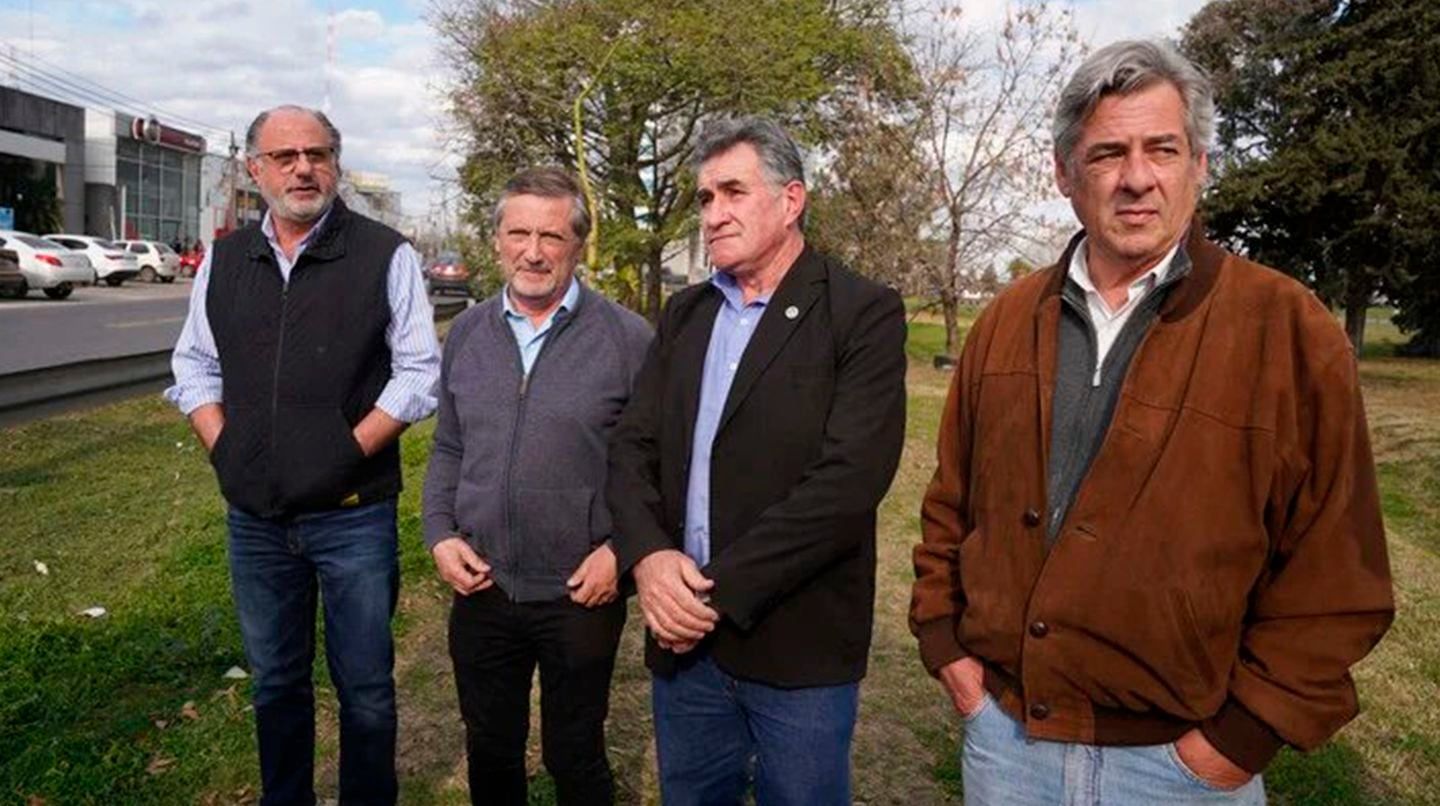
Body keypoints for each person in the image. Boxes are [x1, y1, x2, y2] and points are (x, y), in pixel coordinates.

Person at [909, 39, 1395, 805]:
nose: (1137, 178)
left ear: (1199, 165)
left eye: (1161, 148)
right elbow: (950, 504)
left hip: (1180, 767)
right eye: (1108, 153)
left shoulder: (1286, 329)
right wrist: (949, 651)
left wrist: (1237, 742)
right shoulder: (1006, 320)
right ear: (1065, 173)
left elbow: (1338, 567)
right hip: (1007, 745)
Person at [607, 117, 907, 805]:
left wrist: (709, 592)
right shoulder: (684, 315)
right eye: (705, 198)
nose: (713, 215)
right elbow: (631, 446)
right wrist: (650, 560)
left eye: (733, 192)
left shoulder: (861, 313)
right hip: (684, 647)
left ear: (791, 199)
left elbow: (847, 484)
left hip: (796, 647)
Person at [166, 104, 440, 805]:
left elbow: (419, 372)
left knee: (367, 690)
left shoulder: (385, 253)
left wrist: (347, 451)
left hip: (352, 516)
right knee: (277, 684)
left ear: (336, 165)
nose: (302, 168)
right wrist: (225, 446)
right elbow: (194, 363)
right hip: (255, 520)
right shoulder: (228, 259)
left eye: (317, 154)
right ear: (254, 170)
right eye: (284, 156)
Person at [421, 167, 652, 805]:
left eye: (551, 235)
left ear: (578, 245)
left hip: (580, 592)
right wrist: (440, 533)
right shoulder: (466, 334)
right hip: (483, 586)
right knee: (490, 750)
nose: (533, 250)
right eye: (518, 232)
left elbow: (655, 468)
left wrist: (620, 554)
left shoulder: (628, 341)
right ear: (495, 239)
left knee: (574, 754)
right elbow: (449, 446)